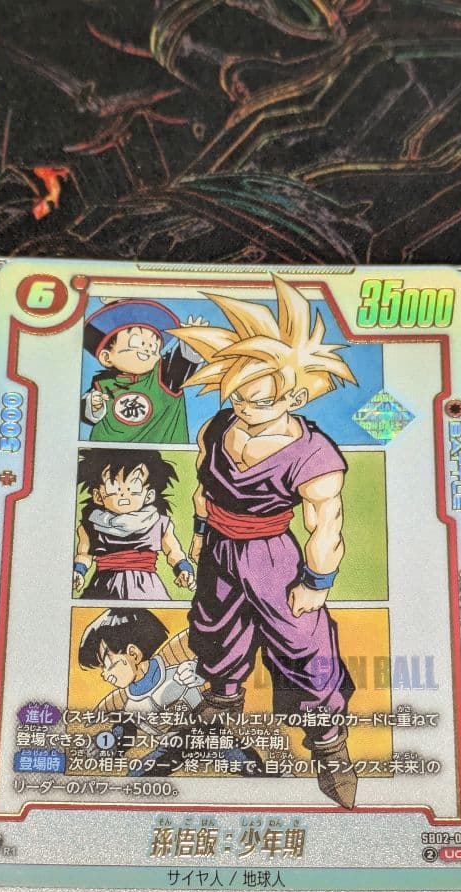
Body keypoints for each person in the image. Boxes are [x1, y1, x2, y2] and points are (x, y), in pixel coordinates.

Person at [172, 276, 358, 808]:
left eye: (256, 399)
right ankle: (222, 701)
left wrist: (316, 582)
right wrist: (201, 534)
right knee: (213, 627)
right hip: (219, 547)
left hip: (272, 555)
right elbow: (203, 490)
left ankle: (329, 745)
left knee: (303, 643)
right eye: (236, 395)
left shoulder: (314, 455)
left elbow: (326, 524)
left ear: (294, 396)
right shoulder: (217, 428)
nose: (243, 406)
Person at [78, 609, 262, 776]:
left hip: (208, 735)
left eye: (107, 664)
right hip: (172, 747)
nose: (105, 674)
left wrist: (204, 671)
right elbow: (125, 730)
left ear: (133, 654)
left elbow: (221, 646)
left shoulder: (176, 666)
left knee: (251, 765)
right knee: (136, 776)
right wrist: (109, 744)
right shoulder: (126, 702)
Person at [73, 449, 194, 601]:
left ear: (149, 495)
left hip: (147, 588)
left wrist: (183, 569)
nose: (124, 494)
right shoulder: (90, 526)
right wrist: (78, 571)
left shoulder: (159, 523)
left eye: (134, 487)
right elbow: (84, 554)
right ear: (97, 496)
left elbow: (173, 551)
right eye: (114, 487)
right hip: (103, 586)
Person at [81, 299, 207, 442]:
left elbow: (182, 361)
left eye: (154, 347)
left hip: (160, 450)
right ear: (106, 357)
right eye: (137, 343)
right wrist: (94, 405)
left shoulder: (163, 376)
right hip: (108, 450)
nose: (147, 350)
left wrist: (193, 343)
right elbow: (85, 414)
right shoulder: (102, 385)